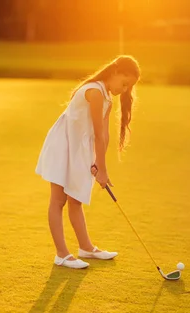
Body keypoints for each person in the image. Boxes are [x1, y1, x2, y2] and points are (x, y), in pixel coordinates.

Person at [35, 55, 140, 269]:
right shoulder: (95, 92)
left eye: (128, 86)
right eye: (124, 82)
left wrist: (98, 163)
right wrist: (100, 169)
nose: (124, 89)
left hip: (78, 147)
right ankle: (62, 254)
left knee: (75, 199)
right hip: (62, 145)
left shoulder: (107, 98)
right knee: (58, 200)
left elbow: (104, 136)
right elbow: (98, 135)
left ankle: (86, 248)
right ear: (115, 72)